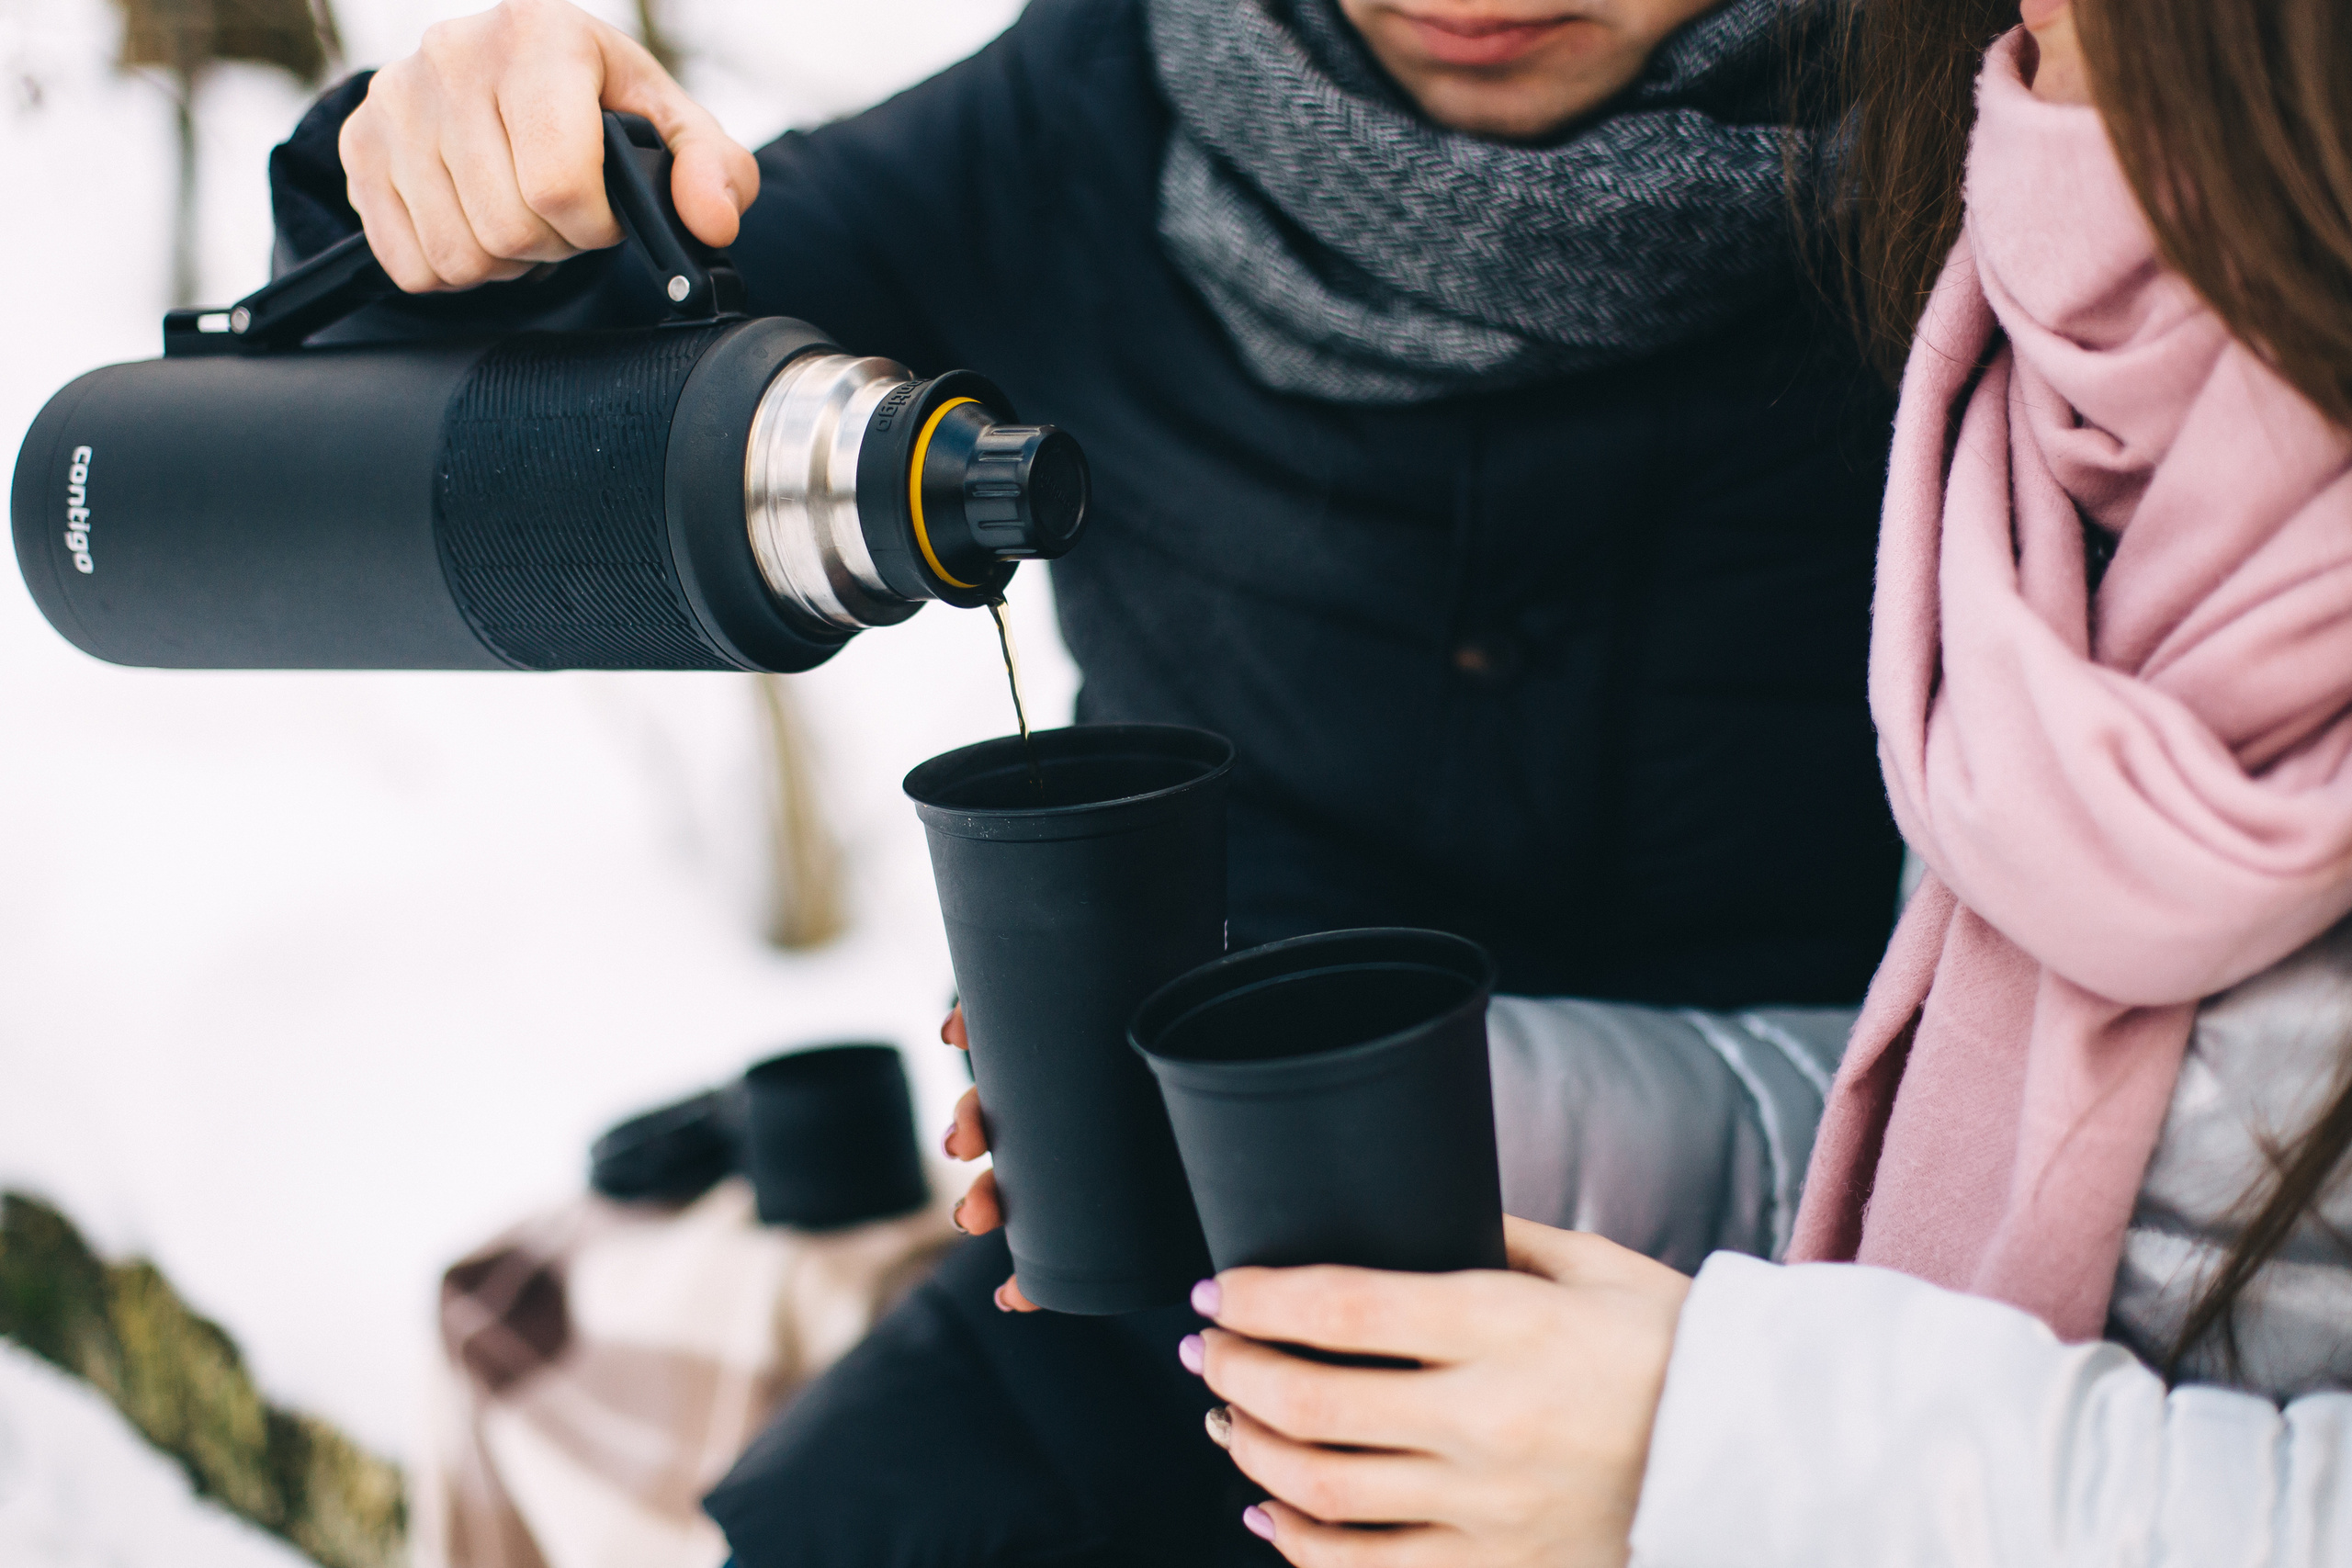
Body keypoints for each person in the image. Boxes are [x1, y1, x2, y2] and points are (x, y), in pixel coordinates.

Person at [270, 0, 1898, 1561]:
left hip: (1798, 1345)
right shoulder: (1092, 104)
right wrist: (446, 203)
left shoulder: (1986, 177)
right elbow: (497, 426)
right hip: (1147, 1296)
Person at [1181, 0, 2352, 1562]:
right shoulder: (2058, 446)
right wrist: (1449, 1112)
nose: (2021, 33)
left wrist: (1740, 1456)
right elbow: (1990, 1137)